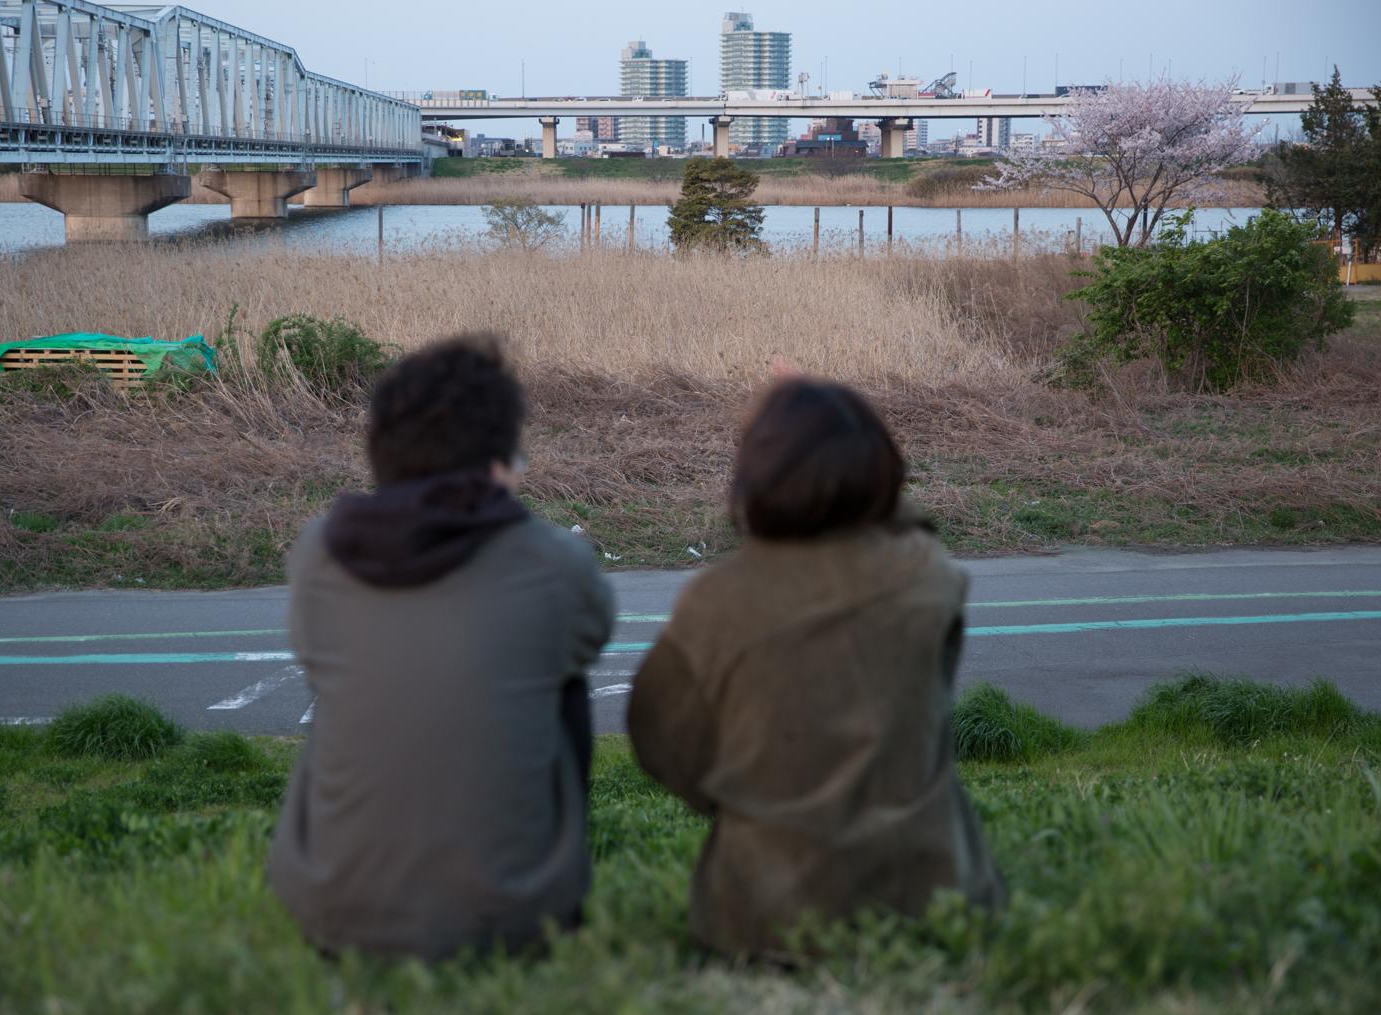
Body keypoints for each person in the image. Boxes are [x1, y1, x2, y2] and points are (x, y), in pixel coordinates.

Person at [627, 377, 1004, 959]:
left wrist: (745, 801)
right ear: (883, 471)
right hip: (932, 901)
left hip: (764, 919)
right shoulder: (932, 577)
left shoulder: (715, 601)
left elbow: (661, 742)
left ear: (755, 475)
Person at [268, 334, 615, 961]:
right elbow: (588, 637)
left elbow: (317, 660)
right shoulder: (558, 562)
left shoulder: (319, 555)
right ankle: (538, 888)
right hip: (513, 922)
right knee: (562, 684)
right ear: (500, 458)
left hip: (333, 915)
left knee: (353, 689)